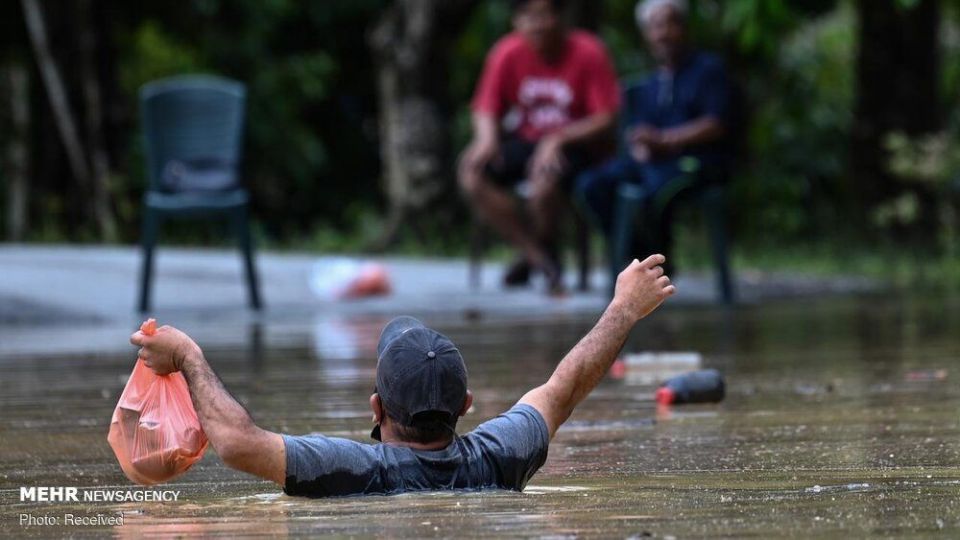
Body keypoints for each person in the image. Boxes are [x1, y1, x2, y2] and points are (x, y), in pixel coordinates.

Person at [130, 255, 675, 497]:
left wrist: (187, 356)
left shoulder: (357, 470)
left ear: (376, 408)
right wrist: (624, 310)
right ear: (466, 406)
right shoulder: (501, 457)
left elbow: (238, 443)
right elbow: (568, 383)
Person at [458, 0, 620, 294]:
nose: (537, 24)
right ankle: (537, 256)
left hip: (578, 146)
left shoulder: (588, 51)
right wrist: (486, 138)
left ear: (560, 17)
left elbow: (605, 118)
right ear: (516, 22)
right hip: (526, 141)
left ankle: (534, 259)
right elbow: (485, 106)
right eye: (528, 16)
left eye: (543, 14)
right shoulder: (507, 51)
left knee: (544, 181)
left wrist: (558, 139)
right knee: (471, 172)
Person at [576, 0, 732, 253]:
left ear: (684, 28)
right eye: (656, 26)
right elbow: (639, 132)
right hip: (654, 163)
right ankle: (636, 254)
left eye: (672, 24)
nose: (664, 33)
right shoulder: (651, 83)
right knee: (592, 184)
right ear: (647, 34)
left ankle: (656, 258)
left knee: (656, 190)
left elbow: (716, 124)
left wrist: (665, 139)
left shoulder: (708, 70)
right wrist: (641, 146)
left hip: (696, 163)